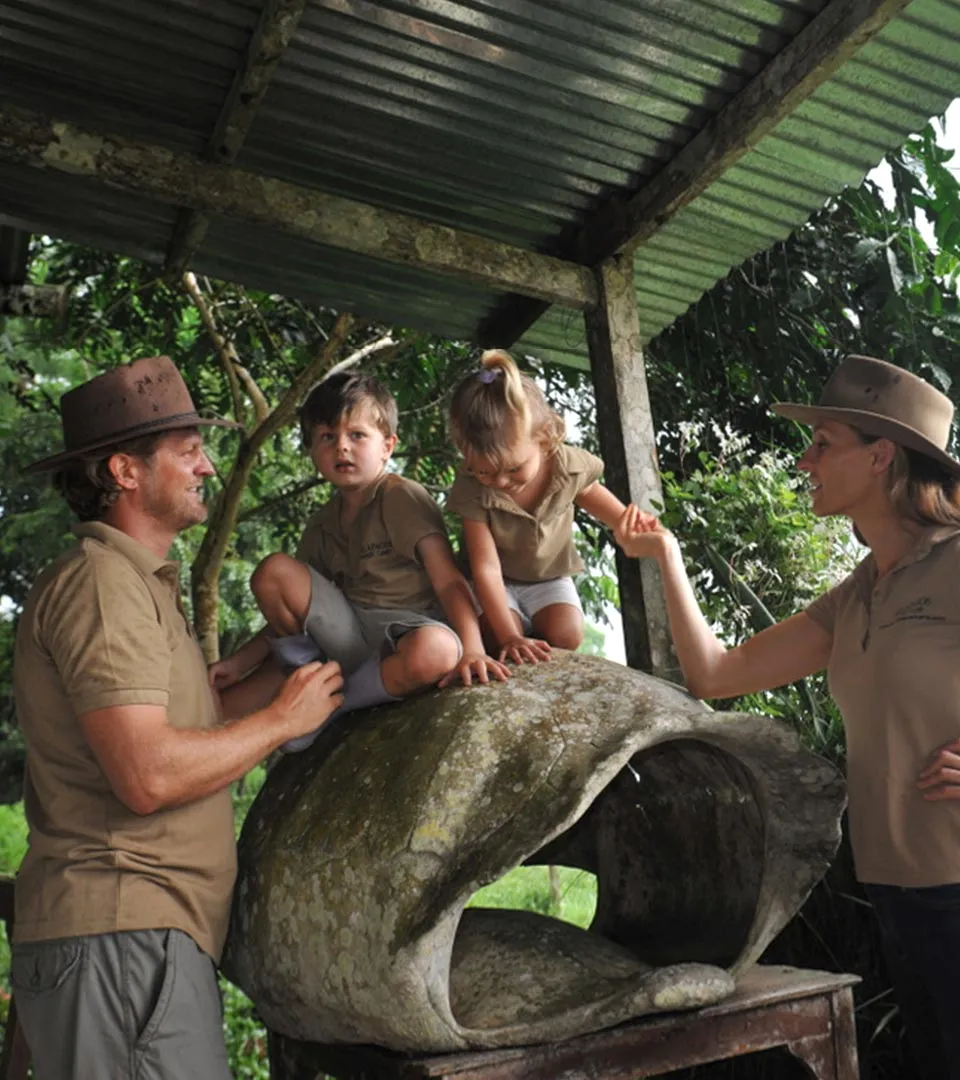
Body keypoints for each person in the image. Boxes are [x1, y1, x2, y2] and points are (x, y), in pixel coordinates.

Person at [615, 354, 960, 1080]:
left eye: (823, 443)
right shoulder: (857, 594)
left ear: (881, 457)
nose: (805, 460)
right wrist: (665, 554)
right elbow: (718, 673)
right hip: (898, 892)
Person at [11, 355, 344, 1080]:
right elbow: (147, 772)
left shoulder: (138, 586)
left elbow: (195, 725)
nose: (207, 466)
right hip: (123, 940)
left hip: (137, 942)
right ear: (125, 472)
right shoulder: (103, 586)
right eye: (188, 450)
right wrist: (283, 720)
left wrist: (313, 672)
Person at [210, 370, 508, 752]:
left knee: (438, 651)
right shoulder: (322, 523)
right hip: (345, 634)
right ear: (312, 449)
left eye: (357, 435)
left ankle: (333, 705)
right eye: (327, 438)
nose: (342, 448)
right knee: (273, 574)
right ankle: (307, 676)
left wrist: (473, 648)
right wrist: (237, 663)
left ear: (387, 446)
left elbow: (449, 582)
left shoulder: (402, 498)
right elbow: (295, 610)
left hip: (404, 632)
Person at [446, 348, 628, 664]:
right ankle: (514, 628)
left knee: (567, 636)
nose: (500, 481)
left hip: (549, 577)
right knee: (497, 636)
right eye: (485, 471)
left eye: (514, 469)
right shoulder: (471, 486)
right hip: (495, 580)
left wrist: (628, 524)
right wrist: (510, 637)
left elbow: (594, 496)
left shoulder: (567, 464)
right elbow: (485, 567)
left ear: (544, 440)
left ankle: (527, 627)